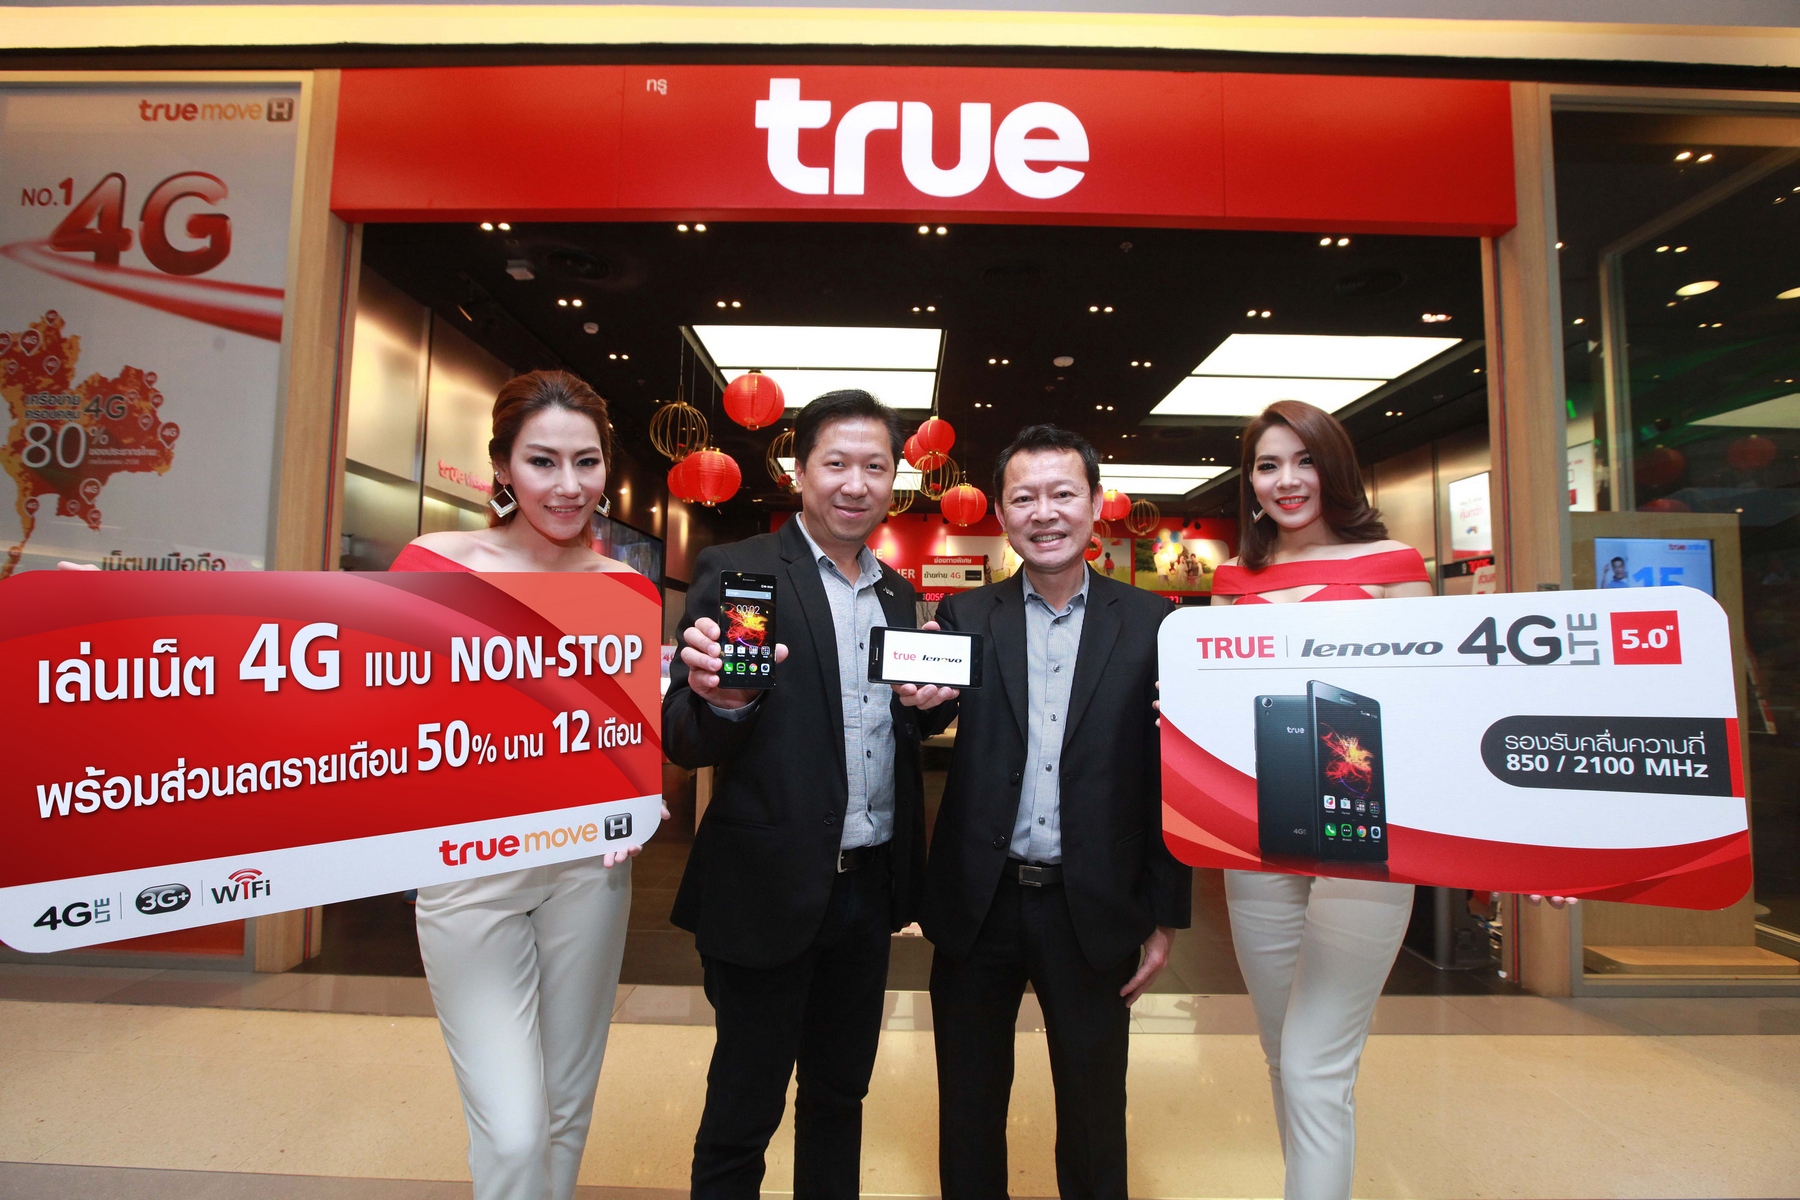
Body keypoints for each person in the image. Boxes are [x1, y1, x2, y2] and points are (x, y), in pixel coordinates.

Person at [664, 389, 953, 1200]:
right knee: (742, 1110)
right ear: (799, 471)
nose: (856, 484)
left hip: (868, 891)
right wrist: (726, 701)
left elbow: (895, 722)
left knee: (839, 1098)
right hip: (766, 888)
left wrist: (930, 704)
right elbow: (685, 734)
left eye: (875, 466)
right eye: (837, 463)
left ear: (894, 480)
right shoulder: (744, 572)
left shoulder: (897, 593)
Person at [909, 424, 1191, 1200]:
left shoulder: (1155, 623)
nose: (1045, 512)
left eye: (1063, 493)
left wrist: (1165, 913)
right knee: (968, 1109)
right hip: (978, 902)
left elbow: (1173, 776)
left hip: (1093, 906)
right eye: (1024, 497)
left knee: (1096, 1116)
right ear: (1001, 513)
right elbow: (925, 717)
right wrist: (913, 700)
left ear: (1095, 504)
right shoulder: (965, 615)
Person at [392, 369, 650, 1200]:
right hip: (468, 872)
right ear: (502, 465)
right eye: (543, 461)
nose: (568, 486)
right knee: (512, 1128)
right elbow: (364, 706)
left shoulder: (624, 590)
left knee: (566, 1108)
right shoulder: (434, 565)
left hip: (589, 874)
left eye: (586, 461)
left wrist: (634, 795)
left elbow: (620, 738)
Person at [1208, 399, 1431, 1200]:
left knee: (1314, 1064)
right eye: (1268, 465)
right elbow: (1217, 706)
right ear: (1250, 482)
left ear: (1334, 466)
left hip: (1365, 840)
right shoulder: (1234, 581)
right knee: (1284, 1055)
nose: (1287, 480)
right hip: (1257, 837)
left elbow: (1435, 707)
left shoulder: (1395, 565)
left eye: (1303, 460)